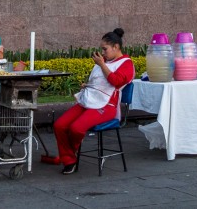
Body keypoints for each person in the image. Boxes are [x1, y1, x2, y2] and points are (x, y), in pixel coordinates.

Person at [53, 28, 135, 174]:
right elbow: (99, 81)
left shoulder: (126, 64)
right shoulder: (104, 61)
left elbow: (116, 81)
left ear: (116, 47)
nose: (103, 52)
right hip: (89, 100)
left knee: (76, 128)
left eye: (105, 49)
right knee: (59, 125)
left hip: (107, 105)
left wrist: (102, 64)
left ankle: (69, 158)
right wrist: (87, 84)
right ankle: (69, 156)